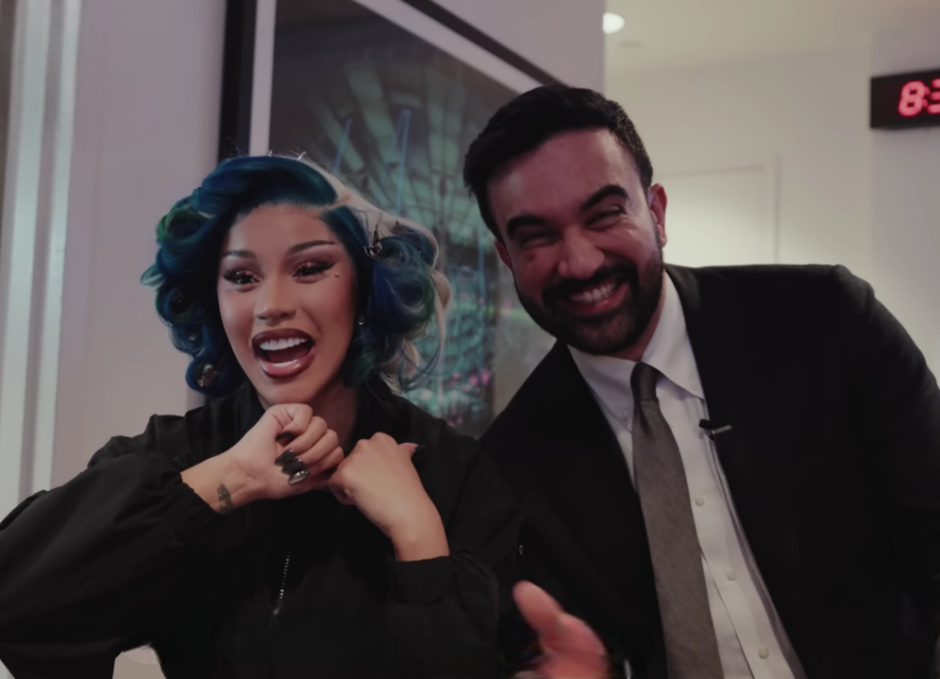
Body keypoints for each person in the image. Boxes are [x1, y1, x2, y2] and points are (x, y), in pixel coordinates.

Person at [463, 85, 940, 679]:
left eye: (605, 214)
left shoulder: (828, 321)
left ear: (657, 212)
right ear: (507, 257)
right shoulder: (511, 462)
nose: (580, 262)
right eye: (536, 236)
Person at [0, 155, 521, 678]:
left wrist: (417, 535)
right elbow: (18, 607)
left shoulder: (457, 476)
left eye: (309, 269)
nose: (271, 305)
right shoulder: (174, 458)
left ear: (365, 290)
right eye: (242, 277)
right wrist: (224, 483)